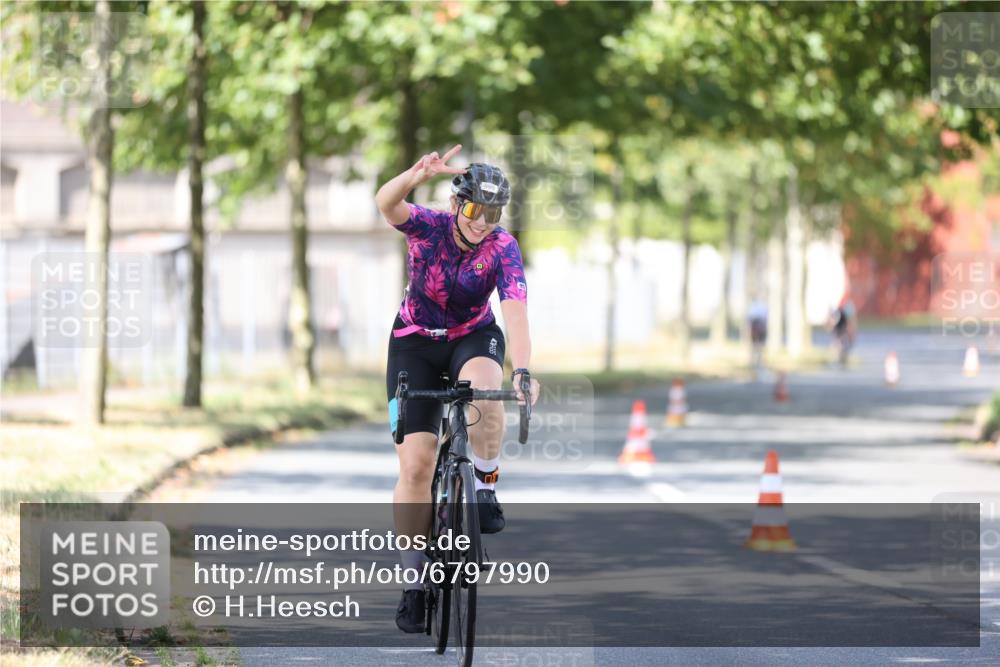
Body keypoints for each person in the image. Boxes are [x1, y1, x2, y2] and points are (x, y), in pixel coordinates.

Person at [375, 145, 541, 634]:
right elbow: (386, 204)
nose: (481, 221)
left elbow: (515, 312)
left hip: (472, 335)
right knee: (416, 465)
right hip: (414, 344)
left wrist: (524, 371)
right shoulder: (426, 226)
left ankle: (485, 484)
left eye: (491, 212)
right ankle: (413, 581)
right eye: (473, 209)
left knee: (486, 389)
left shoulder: (503, 247)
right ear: (455, 205)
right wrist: (413, 173)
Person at [828, 292, 857, 367]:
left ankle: (843, 356)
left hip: (843, 327)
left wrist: (851, 330)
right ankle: (840, 356)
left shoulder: (848, 305)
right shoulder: (838, 305)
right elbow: (831, 318)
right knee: (839, 342)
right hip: (840, 327)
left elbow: (851, 319)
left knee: (843, 342)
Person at [746, 297, 768, 380]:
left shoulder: (758, 307)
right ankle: (755, 361)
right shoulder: (755, 307)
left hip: (759, 328)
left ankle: (759, 360)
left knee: (758, 346)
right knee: (756, 346)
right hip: (757, 327)